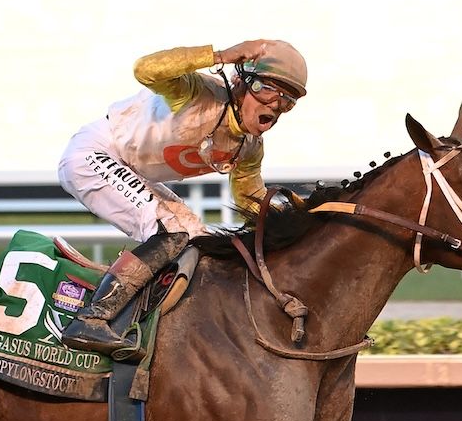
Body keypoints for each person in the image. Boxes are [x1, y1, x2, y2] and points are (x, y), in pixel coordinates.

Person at [57, 39, 307, 359]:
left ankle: (154, 326)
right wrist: (218, 56)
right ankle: (91, 319)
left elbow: (249, 199)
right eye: (267, 89)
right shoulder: (198, 93)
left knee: (199, 240)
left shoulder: (249, 148)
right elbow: (144, 69)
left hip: (131, 171)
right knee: (171, 230)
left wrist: (302, 214)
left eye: (287, 100)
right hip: (93, 154)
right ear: (241, 83)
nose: (275, 105)